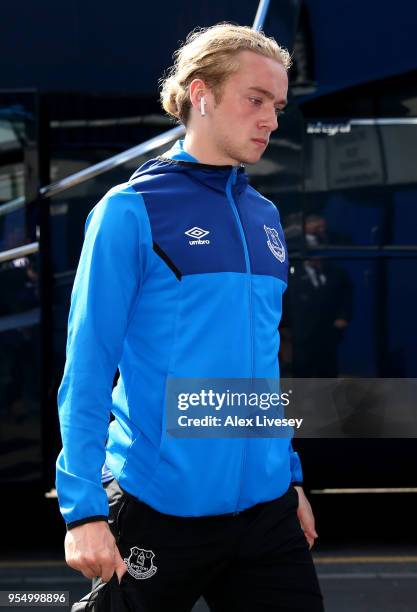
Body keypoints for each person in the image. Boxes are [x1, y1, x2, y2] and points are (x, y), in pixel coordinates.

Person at [57, 23, 324, 611]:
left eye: (277, 106)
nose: (271, 120)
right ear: (200, 94)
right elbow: (88, 366)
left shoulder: (265, 216)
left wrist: (291, 476)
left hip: (265, 512)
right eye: (256, 100)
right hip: (158, 509)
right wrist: (82, 510)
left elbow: (259, 367)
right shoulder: (129, 211)